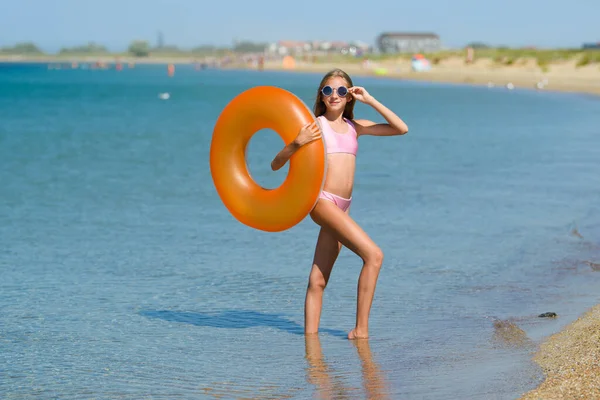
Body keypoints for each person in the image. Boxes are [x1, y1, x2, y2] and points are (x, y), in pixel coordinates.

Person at [271, 69, 409, 340]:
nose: (334, 95)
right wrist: (296, 143)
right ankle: (361, 330)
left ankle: (310, 345)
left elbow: (400, 128)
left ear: (349, 97)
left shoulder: (354, 128)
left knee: (318, 280)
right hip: (322, 203)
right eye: (328, 90)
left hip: (343, 206)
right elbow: (275, 165)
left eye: (341, 91)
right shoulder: (314, 126)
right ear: (321, 96)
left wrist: (370, 100)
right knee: (374, 256)